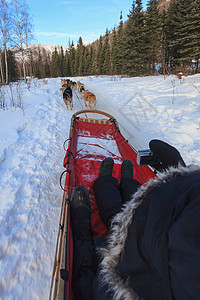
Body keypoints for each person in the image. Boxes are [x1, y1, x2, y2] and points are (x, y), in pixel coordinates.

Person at [70, 139, 200, 300]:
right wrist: (182, 182)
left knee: (113, 226)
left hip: (133, 281)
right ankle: (128, 182)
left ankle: (99, 194)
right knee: (134, 212)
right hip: (158, 237)